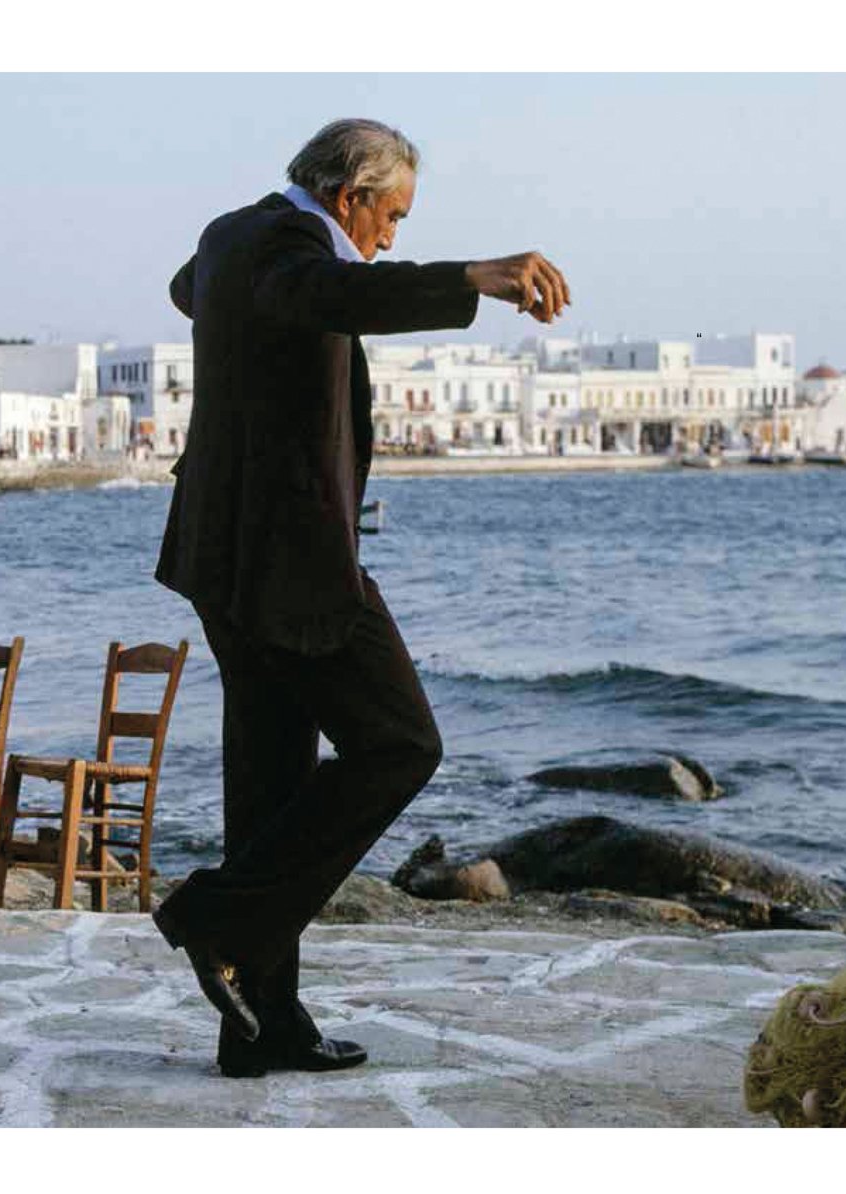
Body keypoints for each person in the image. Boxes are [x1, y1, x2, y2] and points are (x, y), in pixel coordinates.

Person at [149, 118, 570, 1077]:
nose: (391, 237)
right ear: (350, 198)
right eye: (392, 218)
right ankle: (213, 918)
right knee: (400, 743)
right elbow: (332, 288)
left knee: (272, 782)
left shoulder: (229, 241)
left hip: (224, 555)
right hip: (290, 554)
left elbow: (192, 291)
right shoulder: (287, 250)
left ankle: (260, 1029)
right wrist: (471, 276)